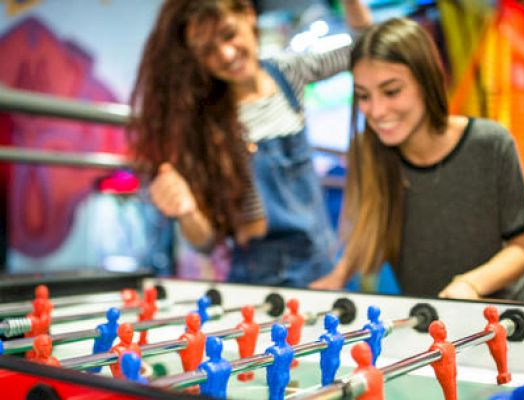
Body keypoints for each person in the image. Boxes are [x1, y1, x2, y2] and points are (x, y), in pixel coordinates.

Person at [128, 0, 372, 287]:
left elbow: (364, 47)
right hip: (258, 278)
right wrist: (187, 212)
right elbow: (206, 242)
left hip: (321, 262)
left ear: (248, 15)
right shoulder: (206, 122)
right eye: (207, 50)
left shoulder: (286, 72)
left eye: (229, 34)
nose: (227, 54)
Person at [310, 17, 524, 300]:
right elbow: (366, 232)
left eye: (392, 91)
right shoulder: (368, 150)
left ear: (426, 80)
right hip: (427, 327)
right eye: (363, 96)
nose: (377, 111)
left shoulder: (490, 143)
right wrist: (336, 277)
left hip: (503, 320)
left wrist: (471, 285)